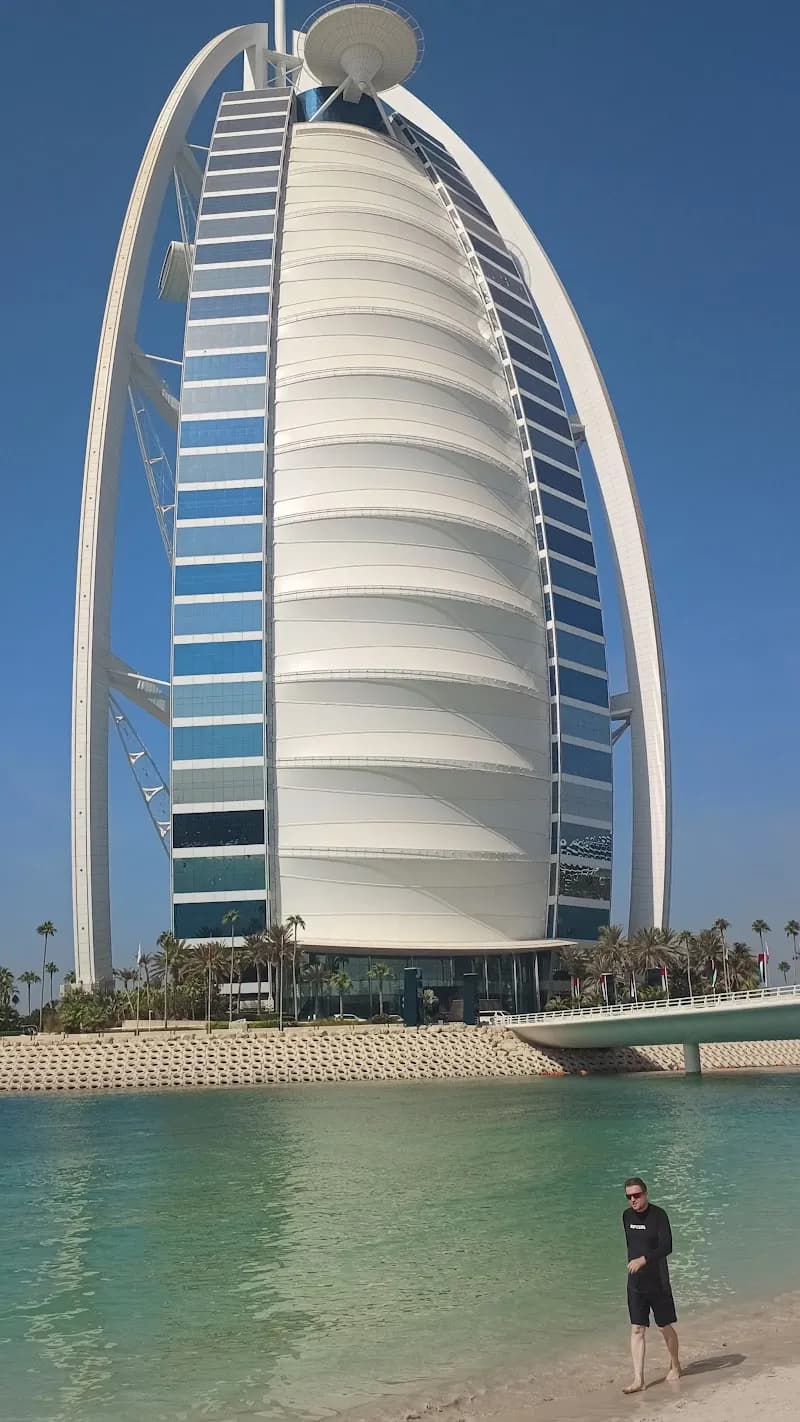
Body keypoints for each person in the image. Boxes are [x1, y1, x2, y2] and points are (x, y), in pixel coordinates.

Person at [622, 1176, 681, 1393]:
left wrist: (643, 1260)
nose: (633, 1200)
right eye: (629, 1197)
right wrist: (634, 1263)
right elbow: (632, 1245)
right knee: (637, 1329)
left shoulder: (659, 1216)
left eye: (637, 1195)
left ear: (646, 1194)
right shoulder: (626, 1216)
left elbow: (667, 1247)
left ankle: (675, 1364)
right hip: (636, 1284)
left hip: (658, 1281)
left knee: (664, 1326)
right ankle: (639, 1379)